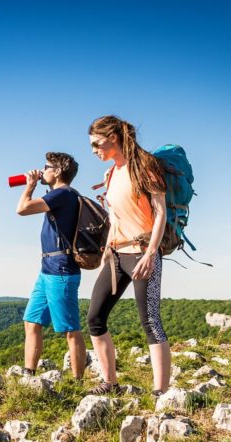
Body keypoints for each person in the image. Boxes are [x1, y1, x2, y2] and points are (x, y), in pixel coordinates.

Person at [85, 115, 171, 396]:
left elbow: (160, 212)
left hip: (142, 253)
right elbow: (115, 215)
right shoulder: (111, 173)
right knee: (95, 318)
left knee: (150, 322)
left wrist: (151, 253)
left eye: (97, 144)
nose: (94, 150)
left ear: (113, 137)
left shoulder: (145, 165)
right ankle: (110, 383)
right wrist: (107, 250)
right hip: (116, 255)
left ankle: (160, 392)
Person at [15, 152, 86, 380]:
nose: (42, 170)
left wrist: (30, 185)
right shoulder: (62, 195)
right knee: (32, 321)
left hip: (61, 271)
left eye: (46, 167)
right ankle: (29, 374)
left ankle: (77, 382)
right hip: (48, 269)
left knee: (70, 329)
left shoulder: (63, 194)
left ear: (57, 171)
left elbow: (22, 208)